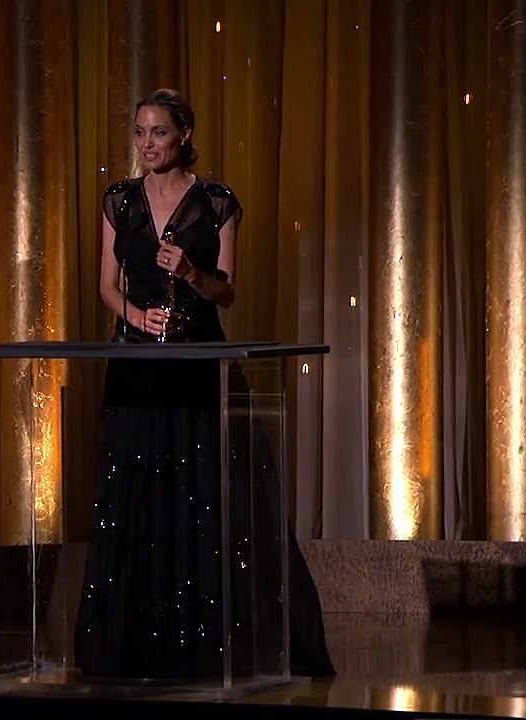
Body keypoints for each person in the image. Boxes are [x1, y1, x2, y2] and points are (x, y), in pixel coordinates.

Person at [73, 89, 334, 679]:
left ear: (184, 135)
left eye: (158, 133)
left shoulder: (216, 203)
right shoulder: (119, 200)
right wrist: (135, 318)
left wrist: (191, 271)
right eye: (140, 133)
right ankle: (136, 638)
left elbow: (228, 290)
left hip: (199, 362)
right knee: (137, 490)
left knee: (208, 490)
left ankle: (210, 640)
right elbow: (107, 284)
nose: (147, 145)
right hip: (137, 363)